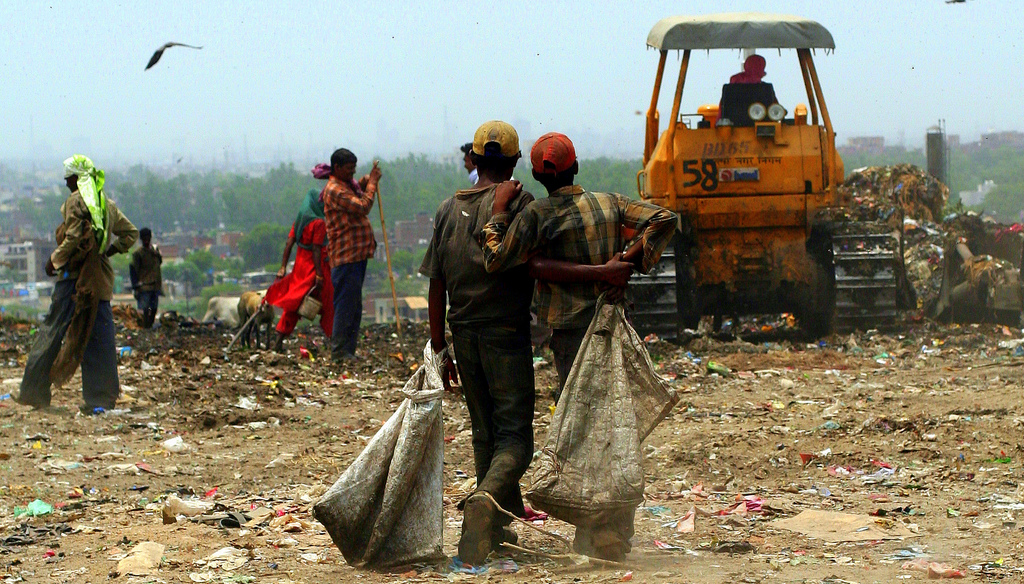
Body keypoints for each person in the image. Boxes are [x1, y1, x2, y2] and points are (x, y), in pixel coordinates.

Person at [421, 121, 629, 566]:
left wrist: (439, 347)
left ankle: (489, 533)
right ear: (516, 163)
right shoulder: (521, 204)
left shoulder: (445, 210)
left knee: (485, 434)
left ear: (473, 160)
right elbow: (533, 264)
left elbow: (436, 283)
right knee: (516, 440)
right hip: (506, 333)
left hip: (463, 334)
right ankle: (484, 504)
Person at [481, 132, 677, 561]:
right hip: (611, 326)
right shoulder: (610, 203)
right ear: (577, 167)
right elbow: (664, 218)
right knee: (612, 429)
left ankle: (600, 536)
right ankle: (610, 536)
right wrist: (623, 263)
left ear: (535, 174)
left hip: (572, 335)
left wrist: (496, 215)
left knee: (588, 431)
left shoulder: (537, 214)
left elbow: (498, 259)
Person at [16, 155, 138, 414]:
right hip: (99, 282)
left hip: (74, 280)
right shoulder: (106, 204)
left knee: (53, 331)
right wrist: (110, 251)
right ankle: (101, 398)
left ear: (77, 178)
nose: (66, 183)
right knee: (99, 338)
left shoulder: (76, 201)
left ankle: (33, 392)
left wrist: (53, 261)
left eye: (69, 177)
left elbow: (72, 238)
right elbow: (131, 234)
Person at [264, 164, 336, 352]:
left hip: (300, 269)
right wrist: (319, 275)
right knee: (329, 302)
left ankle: (279, 340)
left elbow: (289, 243)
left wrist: (282, 267)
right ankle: (334, 342)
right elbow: (316, 249)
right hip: (315, 268)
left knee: (295, 304)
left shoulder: (301, 221)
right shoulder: (319, 223)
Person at [322, 148, 380, 362]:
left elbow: (357, 190)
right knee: (346, 305)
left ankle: (348, 351)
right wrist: (372, 183)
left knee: (354, 307)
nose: (352, 174)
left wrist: (366, 181)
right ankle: (339, 352)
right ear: (337, 168)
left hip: (356, 255)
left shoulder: (346, 185)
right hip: (346, 257)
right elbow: (363, 205)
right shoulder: (335, 189)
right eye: (348, 170)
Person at [129, 227, 162, 328]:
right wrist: (135, 285)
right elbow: (133, 270)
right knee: (145, 310)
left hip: (155, 286)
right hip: (144, 286)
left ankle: (149, 327)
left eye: (148, 237)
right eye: (144, 238)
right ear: (141, 239)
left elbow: (159, 263)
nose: (146, 240)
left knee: (154, 309)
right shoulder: (138, 254)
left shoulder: (155, 252)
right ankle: (146, 328)